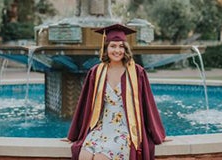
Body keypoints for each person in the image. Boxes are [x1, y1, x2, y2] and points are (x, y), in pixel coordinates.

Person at [64, 24, 166, 160]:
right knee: (84, 156)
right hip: (102, 126)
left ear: (126, 49)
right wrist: (73, 135)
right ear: (106, 48)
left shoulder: (137, 72)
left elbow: (148, 105)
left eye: (121, 46)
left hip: (126, 127)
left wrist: (158, 134)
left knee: (101, 157)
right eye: (113, 46)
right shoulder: (96, 72)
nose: (117, 50)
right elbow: (85, 104)